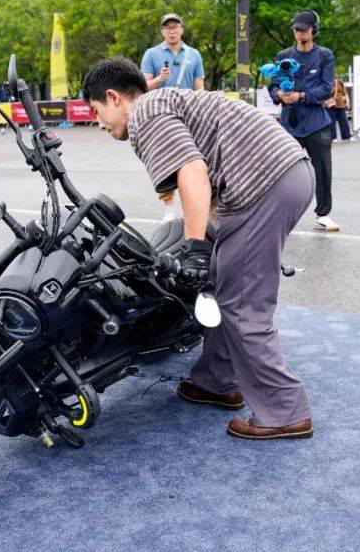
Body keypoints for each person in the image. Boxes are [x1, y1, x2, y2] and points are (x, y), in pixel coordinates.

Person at [83, 57, 315, 440]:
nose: (99, 122)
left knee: (243, 304)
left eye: (96, 111)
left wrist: (193, 247)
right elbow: (202, 179)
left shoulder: (145, 114)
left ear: (114, 97)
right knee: (224, 282)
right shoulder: (166, 102)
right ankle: (215, 381)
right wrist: (207, 241)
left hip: (264, 184)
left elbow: (193, 171)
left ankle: (284, 411)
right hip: (282, 174)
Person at [269, 9, 340, 232]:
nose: (299, 33)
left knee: (323, 170)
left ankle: (323, 214)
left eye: (303, 29)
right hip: (289, 124)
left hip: (316, 122)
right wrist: (279, 94)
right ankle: (280, 215)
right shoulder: (283, 55)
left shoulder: (325, 55)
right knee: (282, 172)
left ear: (313, 30)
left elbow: (326, 88)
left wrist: (301, 96)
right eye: (296, 29)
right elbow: (273, 86)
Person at [141, 13, 206, 222]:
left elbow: (199, 87)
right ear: (162, 31)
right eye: (167, 27)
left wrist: (203, 107)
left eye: (175, 27)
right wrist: (160, 79)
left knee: (194, 159)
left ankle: (194, 205)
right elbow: (144, 86)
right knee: (164, 161)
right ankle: (169, 207)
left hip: (189, 112)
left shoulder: (194, 54)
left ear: (182, 30)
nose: (172, 31)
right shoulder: (151, 54)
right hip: (161, 113)